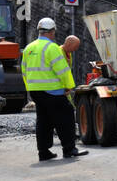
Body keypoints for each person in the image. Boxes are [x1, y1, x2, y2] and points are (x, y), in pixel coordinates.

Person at [21, 17, 87, 161]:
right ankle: (69, 149)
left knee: (43, 120)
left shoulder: (28, 48)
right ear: (52, 32)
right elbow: (62, 70)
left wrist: (30, 89)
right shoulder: (51, 48)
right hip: (52, 91)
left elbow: (24, 71)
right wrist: (69, 86)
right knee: (66, 116)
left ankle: (43, 152)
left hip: (35, 91)